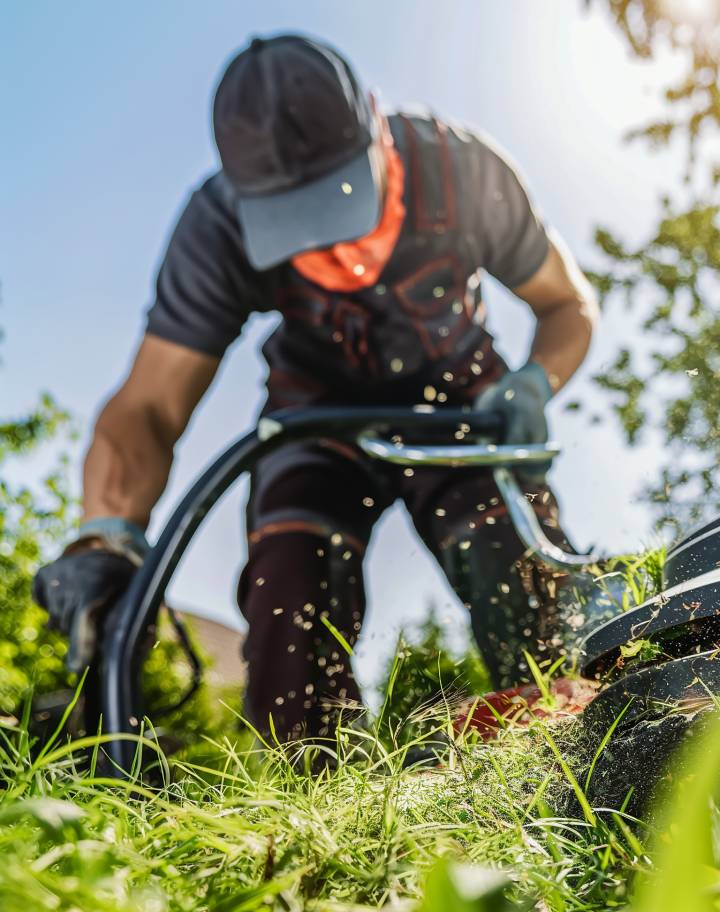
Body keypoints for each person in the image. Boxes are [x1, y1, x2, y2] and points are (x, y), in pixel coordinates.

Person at [32, 34, 598, 743]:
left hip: (461, 409)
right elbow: (148, 404)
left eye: (344, 210)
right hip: (315, 418)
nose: (341, 258)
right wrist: (104, 537)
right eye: (302, 232)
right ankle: (314, 811)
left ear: (378, 128)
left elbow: (568, 305)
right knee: (287, 605)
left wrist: (535, 382)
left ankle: (586, 750)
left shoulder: (462, 171)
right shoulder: (217, 228)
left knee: (524, 578)